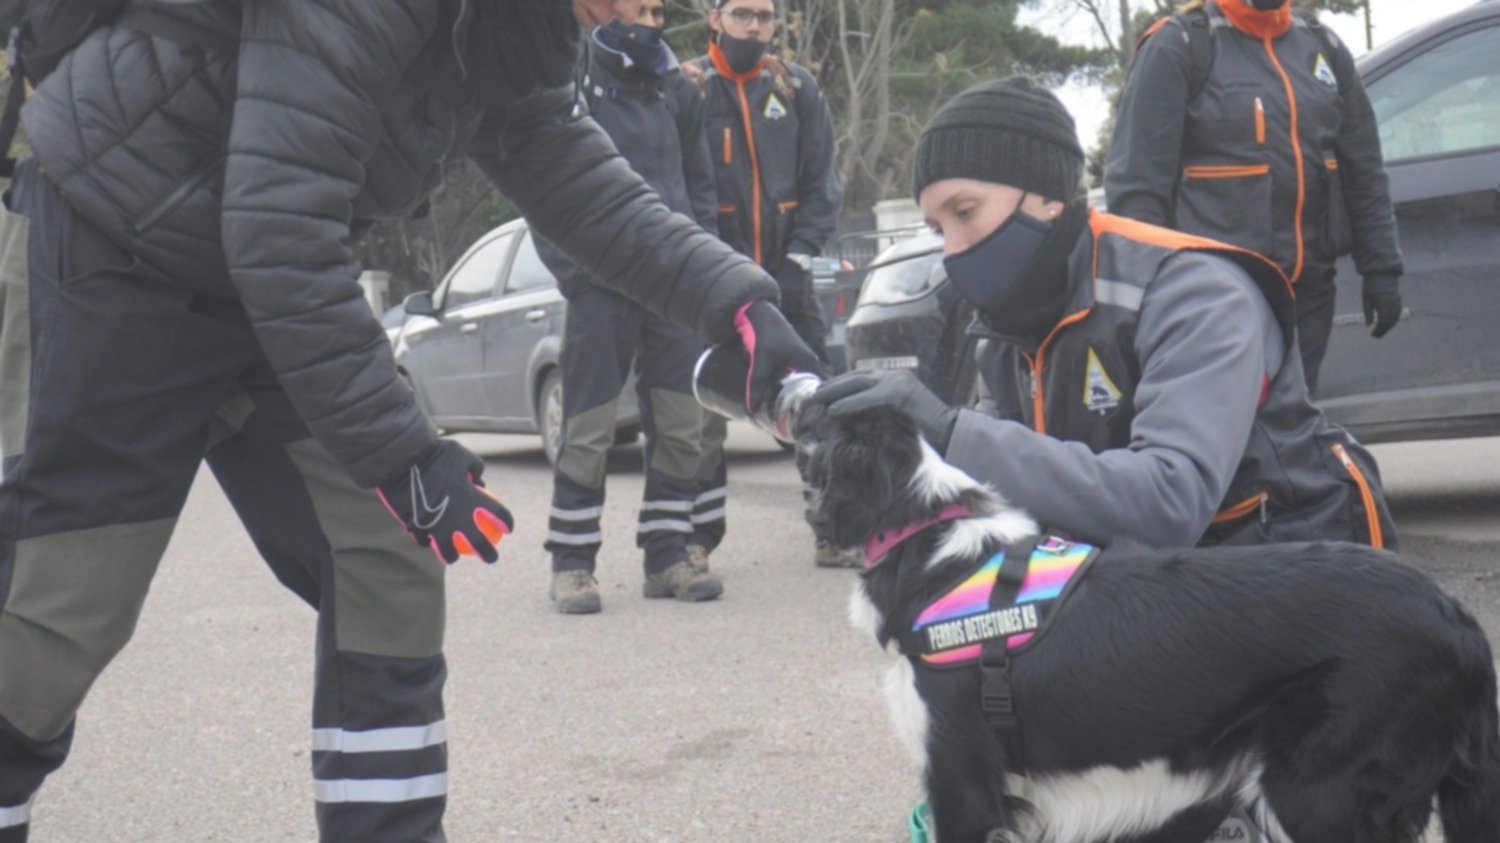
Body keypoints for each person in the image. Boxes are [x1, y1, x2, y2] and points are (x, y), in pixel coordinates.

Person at [0, 0, 821, 840]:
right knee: (58, 612)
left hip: (268, 286)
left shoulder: (513, 31)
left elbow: (587, 190)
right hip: (114, 245)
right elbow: (280, 223)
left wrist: (739, 309)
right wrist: (401, 451)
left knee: (387, 556)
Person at [809, 74, 1397, 840]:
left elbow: (1168, 500)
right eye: (936, 225)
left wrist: (953, 432)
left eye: (965, 213)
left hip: (1287, 624)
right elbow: (1000, 522)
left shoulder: (1193, 287)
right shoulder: (1008, 319)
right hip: (1145, 606)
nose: (953, 249)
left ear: (1048, 196)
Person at [1104, 0, 1404, 393]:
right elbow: (1137, 190)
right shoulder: (1178, 46)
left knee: (1291, 434)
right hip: (1214, 303)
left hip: (1309, 295)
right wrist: (1154, 298)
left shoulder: (1320, 44)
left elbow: (1363, 167)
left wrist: (1381, 269)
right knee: (1227, 439)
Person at [539, 0, 724, 614]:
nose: (648, 19)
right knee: (588, 430)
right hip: (600, 282)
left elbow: (699, 191)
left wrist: (699, 270)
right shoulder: (570, 76)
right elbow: (540, 184)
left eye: (656, 10)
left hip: (671, 283)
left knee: (682, 426)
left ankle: (668, 554)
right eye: (636, 6)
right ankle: (572, 564)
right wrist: (576, 274)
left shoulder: (679, 89)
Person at [683, 0, 843, 568]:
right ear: (715, 18)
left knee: (815, 406)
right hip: (711, 281)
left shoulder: (795, 88)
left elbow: (823, 178)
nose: (755, 26)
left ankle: (832, 530)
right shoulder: (689, 89)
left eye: (766, 16)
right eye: (743, 14)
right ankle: (694, 542)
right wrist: (700, 266)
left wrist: (801, 254)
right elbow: (676, 185)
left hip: (785, 279)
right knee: (702, 418)